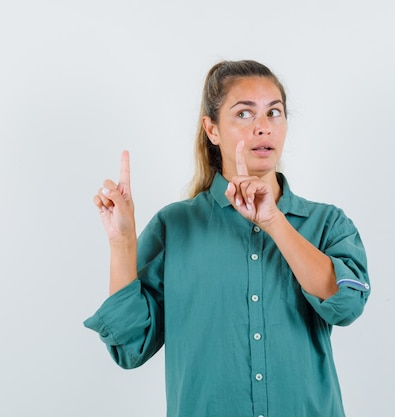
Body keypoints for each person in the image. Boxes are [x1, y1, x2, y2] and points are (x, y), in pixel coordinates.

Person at [84, 60, 370, 417]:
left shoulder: (327, 223)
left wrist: (274, 222)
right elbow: (130, 346)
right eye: (245, 114)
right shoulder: (175, 226)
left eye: (274, 113)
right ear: (212, 129)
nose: (263, 128)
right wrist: (122, 241)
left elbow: (346, 305)